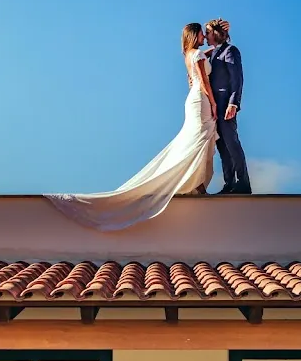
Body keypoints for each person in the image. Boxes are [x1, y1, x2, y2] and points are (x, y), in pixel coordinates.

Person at [44, 23, 219, 231]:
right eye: (201, 33)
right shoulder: (198, 54)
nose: (203, 36)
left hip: (194, 99)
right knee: (197, 140)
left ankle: (196, 184)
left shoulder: (189, 54)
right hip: (201, 99)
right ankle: (193, 184)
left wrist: (215, 48)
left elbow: (198, 68)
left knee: (197, 139)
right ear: (195, 35)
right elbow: (204, 81)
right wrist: (214, 102)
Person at [205, 18, 251, 194]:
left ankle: (243, 182)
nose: (206, 35)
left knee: (231, 142)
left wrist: (234, 103)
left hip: (226, 104)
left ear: (216, 33)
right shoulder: (215, 52)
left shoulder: (231, 51)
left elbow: (237, 79)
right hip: (214, 106)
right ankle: (229, 183)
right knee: (222, 145)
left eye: (208, 32)